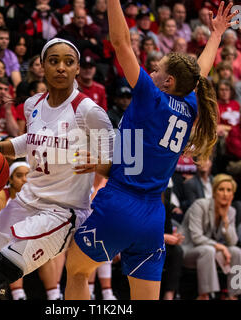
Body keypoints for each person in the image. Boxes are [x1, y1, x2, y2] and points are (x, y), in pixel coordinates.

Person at [64, 1, 237, 300]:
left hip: (120, 203)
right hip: (153, 217)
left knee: (77, 271)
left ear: (167, 82)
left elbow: (120, 43)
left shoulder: (150, 97)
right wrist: (216, 35)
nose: (151, 71)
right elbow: (201, 72)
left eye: (156, 69)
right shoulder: (190, 107)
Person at [0, 37, 115, 300]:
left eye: (69, 62)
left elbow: (124, 166)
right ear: (42, 66)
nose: (61, 68)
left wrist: (98, 164)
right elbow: (28, 142)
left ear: (78, 68)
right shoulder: (33, 104)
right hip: (25, 202)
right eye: (54, 62)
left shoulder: (89, 111)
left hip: (62, 213)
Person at [181, 174, 241, 300]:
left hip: (210, 253)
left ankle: (233, 295)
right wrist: (220, 246)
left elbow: (233, 242)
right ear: (214, 192)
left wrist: (225, 220)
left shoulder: (231, 211)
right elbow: (196, 237)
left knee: (237, 252)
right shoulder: (200, 205)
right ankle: (205, 295)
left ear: (233, 195)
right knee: (208, 250)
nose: (225, 194)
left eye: (229, 190)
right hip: (188, 250)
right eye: (221, 189)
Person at [0, 161, 30, 300]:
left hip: (19, 237)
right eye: (19, 176)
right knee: (14, 244)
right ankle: (18, 294)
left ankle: (54, 295)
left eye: (28, 175)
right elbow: (4, 228)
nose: (25, 180)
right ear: (10, 179)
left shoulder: (35, 197)